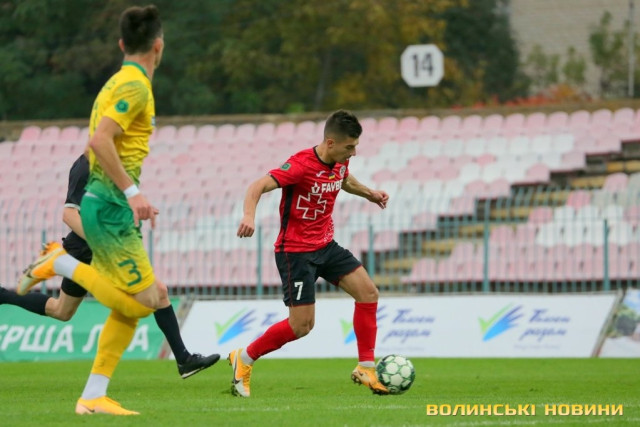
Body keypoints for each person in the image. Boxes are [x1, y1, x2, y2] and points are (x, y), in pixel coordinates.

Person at [17, 5, 212, 415]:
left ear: (122, 44)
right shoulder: (134, 86)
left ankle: (93, 395)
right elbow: (100, 140)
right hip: (108, 208)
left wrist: (131, 196)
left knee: (145, 298)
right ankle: (58, 262)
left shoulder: (116, 83)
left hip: (109, 207)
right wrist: (132, 192)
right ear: (159, 46)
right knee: (143, 302)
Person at [1, 153, 219, 378]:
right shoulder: (85, 166)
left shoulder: (112, 163)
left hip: (99, 247)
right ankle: (183, 359)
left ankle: (5, 295)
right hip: (91, 248)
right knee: (158, 292)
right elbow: (69, 215)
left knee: (62, 311)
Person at [229, 110, 390, 397]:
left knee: (368, 293)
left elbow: (344, 179)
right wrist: (249, 215)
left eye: (355, 146)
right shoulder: (300, 165)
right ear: (330, 142)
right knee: (301, 326)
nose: (353, 153)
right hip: (296, 252)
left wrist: (370, 194)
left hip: (326, 246)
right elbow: (258, 185)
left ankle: (366, 366)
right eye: (349, 147)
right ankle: (244, 358)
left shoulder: (340, 161)